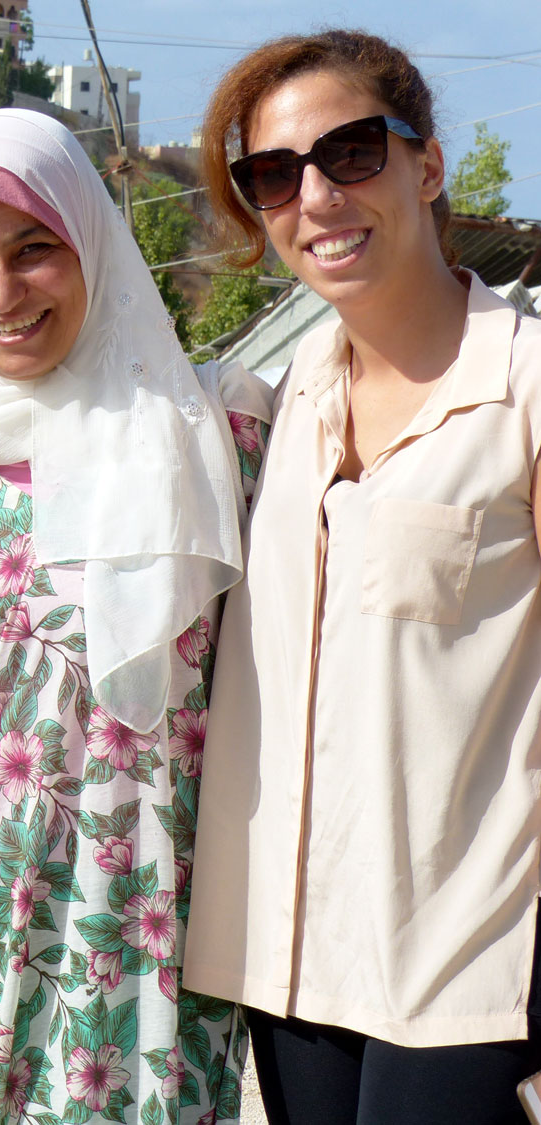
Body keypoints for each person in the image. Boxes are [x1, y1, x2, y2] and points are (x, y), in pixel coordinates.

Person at [0, 108, 271, 1125]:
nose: (0, 293)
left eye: (35, 249)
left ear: (90, 236)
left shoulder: (216, 438)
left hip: (139, 970)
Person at [182, 29, 541, 1125]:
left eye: (350, 153)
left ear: (425, 166)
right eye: (274, 175)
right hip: (289, 962)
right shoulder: (268, 409)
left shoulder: (525, 388)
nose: (317, 197)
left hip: (470, 970)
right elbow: (89, 393)